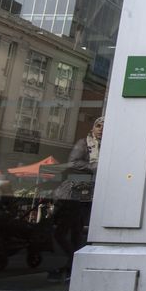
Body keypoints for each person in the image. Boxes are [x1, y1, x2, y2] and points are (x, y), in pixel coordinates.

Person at [49, 116, 103, 281]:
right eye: (98, 126)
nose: (101, 129)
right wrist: (93, 167)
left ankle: (73, 264)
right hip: (78, 193)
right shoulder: (84, 144)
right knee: (72, 229)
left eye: (104, 127)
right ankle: (73, 262)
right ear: (93, 128)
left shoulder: (108, 145)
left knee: (79, 230)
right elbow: (73, 163)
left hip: (94, 193)